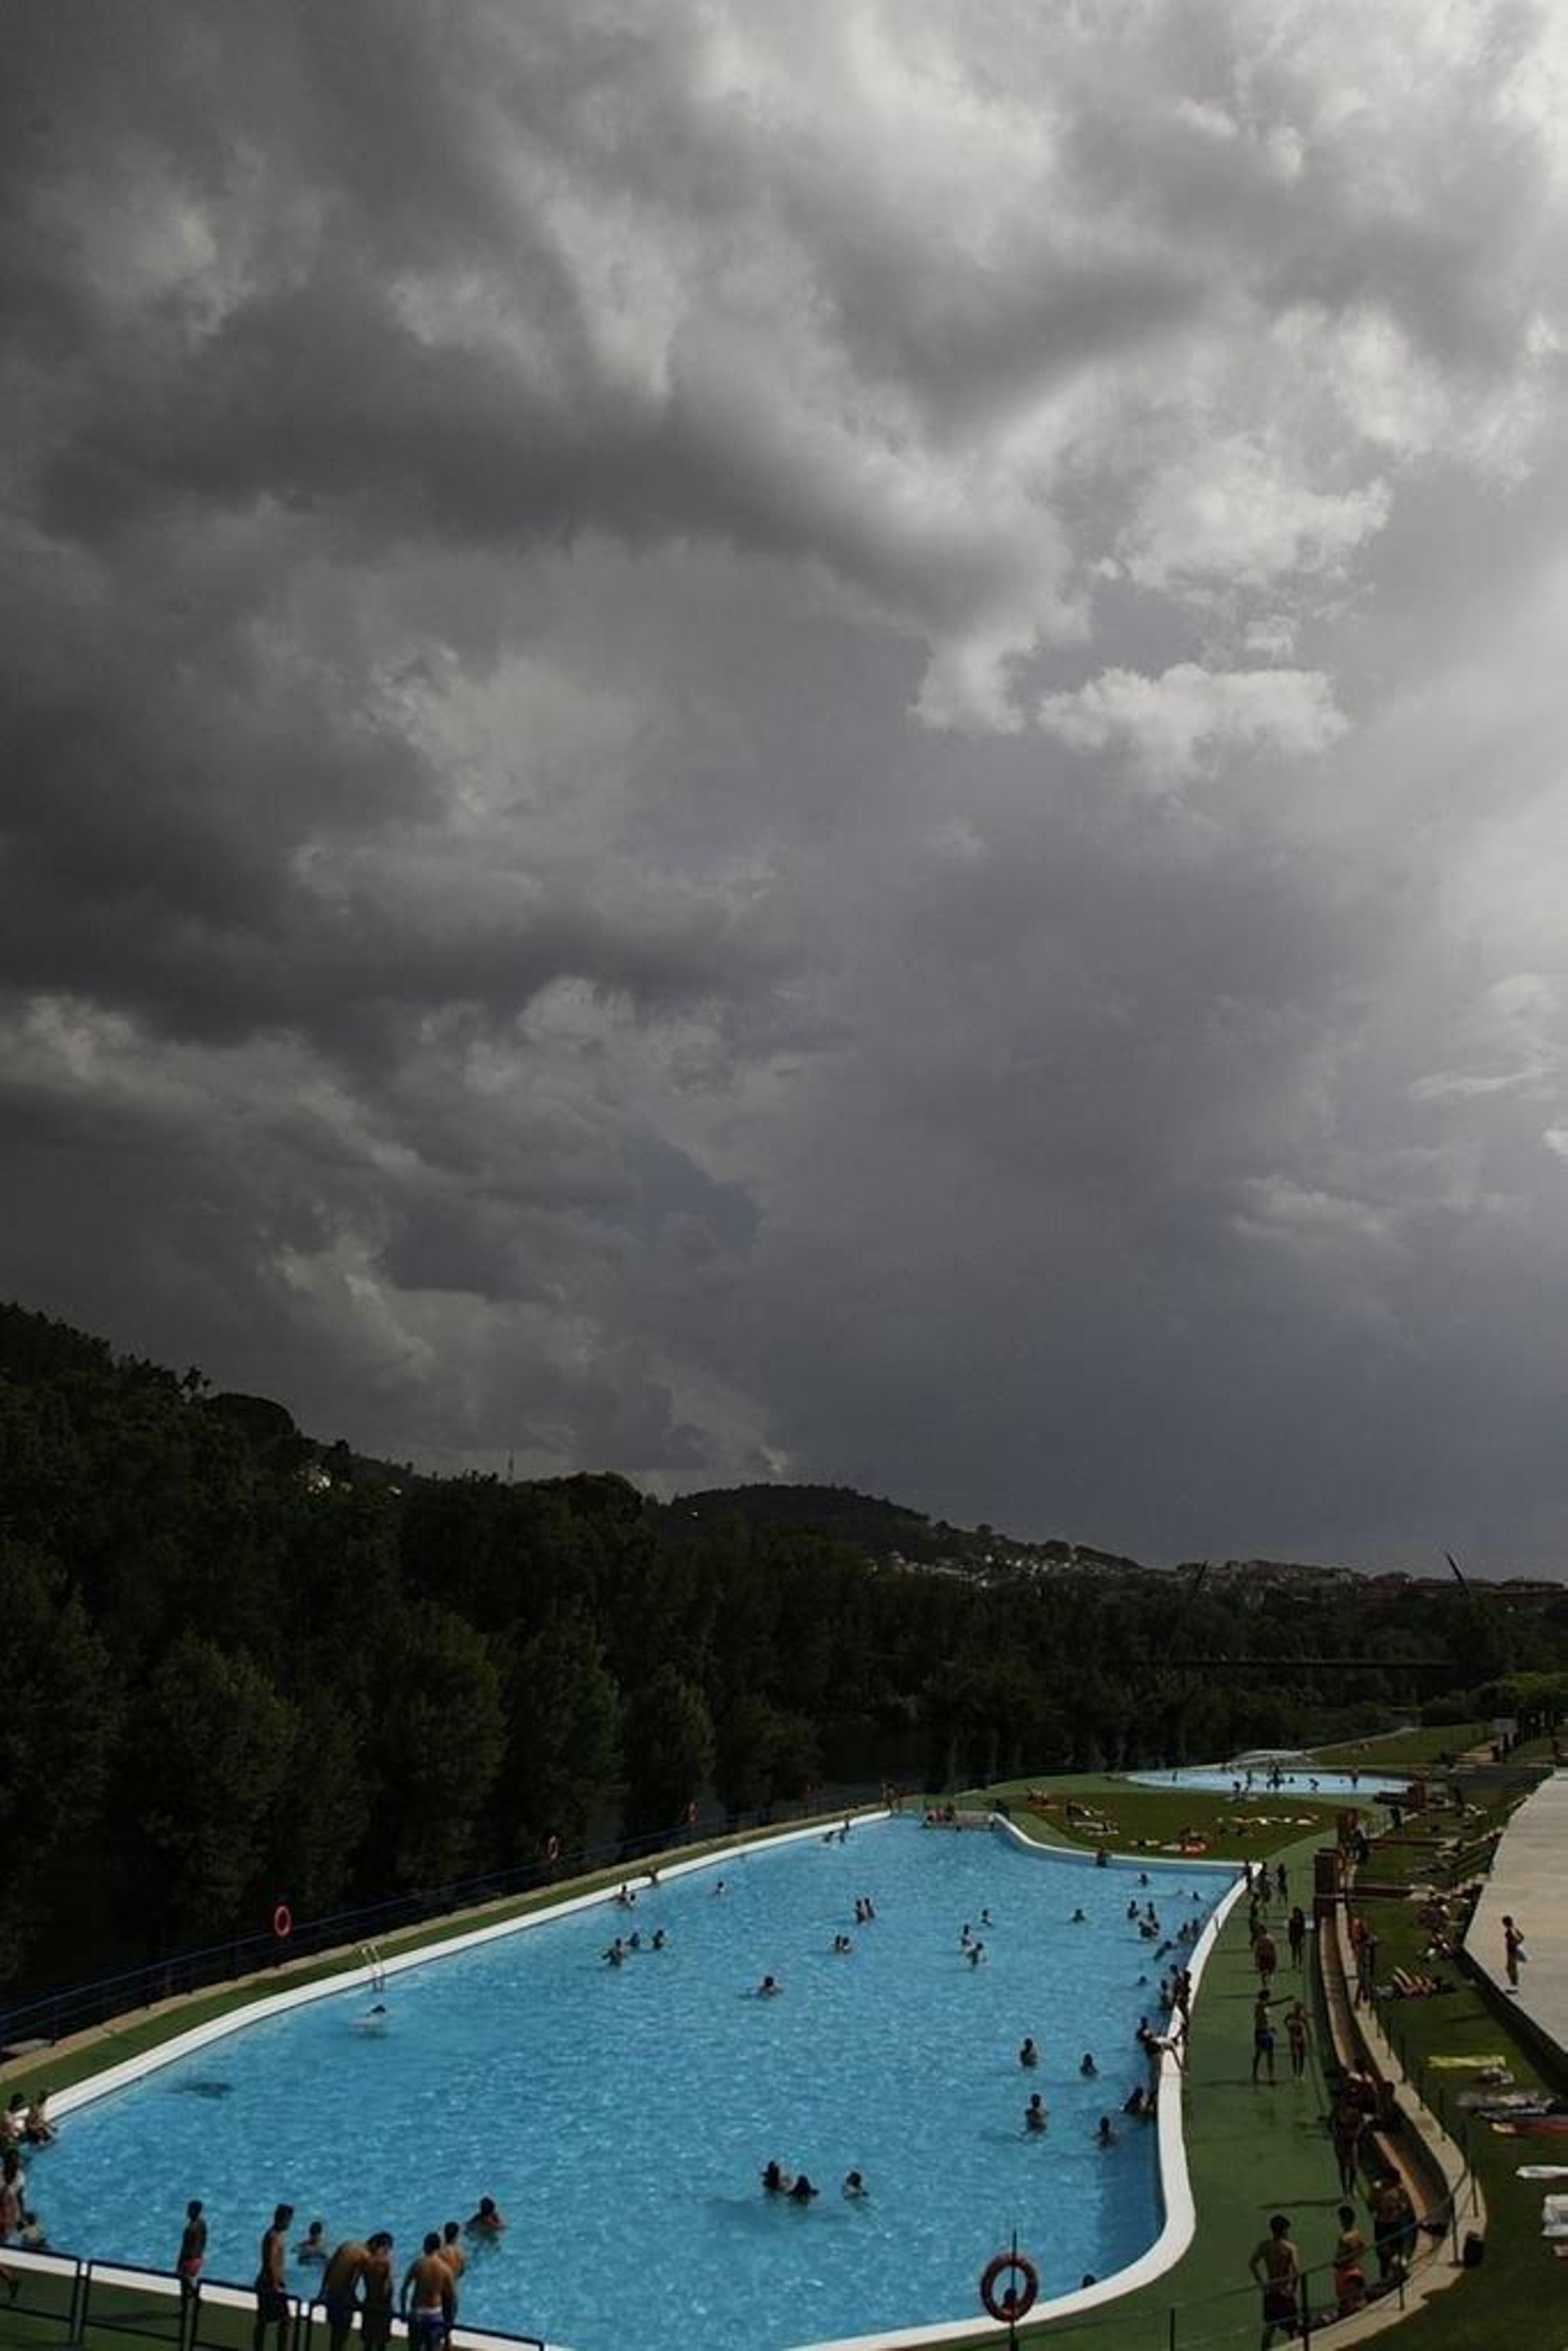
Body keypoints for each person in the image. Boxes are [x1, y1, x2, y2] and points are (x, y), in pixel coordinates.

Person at [1249, 2213, 1300, 2349]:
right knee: (1292, 2329)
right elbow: (1296, 2271)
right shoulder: (1290, 2248)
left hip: (1271, 2291)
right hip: (1284, 2292)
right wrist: (1293, 2289)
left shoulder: (1264, 2246)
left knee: (1269, 2328)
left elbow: (1252, 2263)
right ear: (1283, 2230)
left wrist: (1262, 2284)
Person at [400, 2231, 455, 2351]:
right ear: (439, 2248)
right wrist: (449, 2323)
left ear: (426, 2246)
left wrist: (403, 2311)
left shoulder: (418, 2264)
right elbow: (451, 2298)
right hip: (434, 2314)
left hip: (417, 2313)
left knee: (414, 2348)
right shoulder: (445, 2269)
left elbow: (404, 2288)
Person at [253, 2204, 295, 2351]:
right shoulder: (274, 2237)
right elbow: (270, 2262)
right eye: (289, 2220)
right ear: (284, 2219)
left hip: (269, 2282)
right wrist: (276, 2285)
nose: (290, 2223)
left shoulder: (274, 2235)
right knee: (283, 2319)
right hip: (269, 2283)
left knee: (264, 2320)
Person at [318, 2240, 370, 2351]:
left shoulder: (347, 2245)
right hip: (343, 2298)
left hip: (331, 2294)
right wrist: (356, 2301)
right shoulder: (365, 2256)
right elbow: (353, 2281)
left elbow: (329, 2267)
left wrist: (322, 2292)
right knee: (342, 2335)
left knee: (335, 2333)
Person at [361, 2235, 396, 2351]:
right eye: (389, 2248)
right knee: (381, 2344)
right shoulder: (386, 2263)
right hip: (382, 2306)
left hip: (368, 2302)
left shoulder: (367, 2261)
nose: (389, 2251)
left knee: (368, 2343)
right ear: (384, 2246)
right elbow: (387, 2288)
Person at [1332, 2204, 1367, 2315]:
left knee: (1346, 2303)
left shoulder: (1344, 2238)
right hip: (1356, 2268)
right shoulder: (1356, 2233)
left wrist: (1336, 2263)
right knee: (1358, 2299)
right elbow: (1362, 2248)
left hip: (1345, 2272)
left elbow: (1340, 2258)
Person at [176, 2200, 207, 2301]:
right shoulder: (202, 2223)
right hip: (198, 2258)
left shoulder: (189, 2228)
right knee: (189, 2281)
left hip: (188, 2260)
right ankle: (194, 2296)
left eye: (189, 2209)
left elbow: (185, 2247)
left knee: (184, 2283)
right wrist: (200, 2255)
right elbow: (204, 2240)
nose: (187, 2211)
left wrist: (179, 2262)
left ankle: (193, 2299)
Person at [1251, 1992, 1276, 2084]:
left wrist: (1271, 2027)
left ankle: (1271, 2076)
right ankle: (1254, 2074)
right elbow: (1272, 2004)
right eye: (1269, 1997)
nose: (1270, 1998)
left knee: (1270, 2055)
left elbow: (1266, 2020)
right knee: (1259, 2053)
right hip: (1260, 2032)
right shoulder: (1259, 2005)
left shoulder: (1266, 2007)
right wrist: (1285, 2000)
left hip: (1267, 2032)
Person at [1285, 2001, 1309, 2081]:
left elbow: (1307, 2027)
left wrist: (1309, 2037)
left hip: (1301, 2038)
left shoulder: (1302, 2017)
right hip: (1293, 2038)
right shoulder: (1290, 2015)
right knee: (1294, 2056)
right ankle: (1295, 2074)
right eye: (1297, 2008)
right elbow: (1285, 2021)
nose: (1298, 2010)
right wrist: (1288, 2028)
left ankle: (1301, 2073)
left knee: (1302, 2056)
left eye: (1299, 2008)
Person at [1503, 1914, 1526, 1989]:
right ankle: (1514, 1983)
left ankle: (1514, 1983)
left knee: (1511, 1968)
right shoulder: (1513, 1928)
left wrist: (1515, 1943)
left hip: (1512, 1951)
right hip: (1511, 1950)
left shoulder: (1511, 1930)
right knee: (1511, 1968)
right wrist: (1517, 1942)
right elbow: (1522, 1936)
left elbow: (1520, 1937)